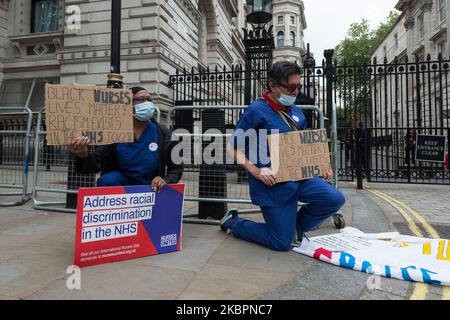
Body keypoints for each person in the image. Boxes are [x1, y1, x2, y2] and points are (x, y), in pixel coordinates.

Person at [221, 61, 346, 252]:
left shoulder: (296, 111)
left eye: (299, 86)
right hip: (273, 186)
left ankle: (295, 228)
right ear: (273, 85)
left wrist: (320, 167)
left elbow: (304, 145)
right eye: (291, 87)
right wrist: (257, 171)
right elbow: (232, 148)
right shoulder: (256, 111)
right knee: (280, 243)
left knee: (334, 199)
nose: (296, 92)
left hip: (300, 179)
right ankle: (234, 222)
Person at [69, 86, 183, 191]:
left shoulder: (165, 134)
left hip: (151, 185)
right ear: (128, 105)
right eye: (140, 99)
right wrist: (83, 155)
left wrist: (165, 180)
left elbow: (176, 169)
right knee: (107, 180)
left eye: (149, 99)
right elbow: (97, 162)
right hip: (121, 182)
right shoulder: (115, 132)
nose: (146, 103)